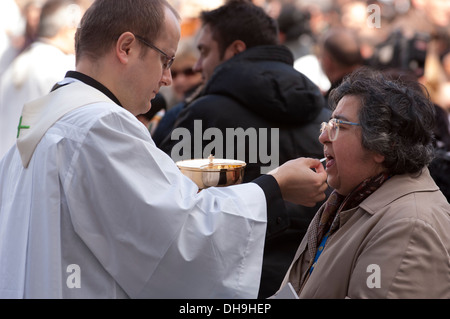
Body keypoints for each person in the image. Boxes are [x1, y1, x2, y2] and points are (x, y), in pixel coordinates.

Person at [0, 0, 328, 299]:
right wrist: (275, 186)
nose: (169, 78)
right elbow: (180, 238)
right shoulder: (101, 125)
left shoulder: (43, 118)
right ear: (126, 47)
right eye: (165, 60)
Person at [157, 0, 331, 299]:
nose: (198, 66)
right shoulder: (325, 115)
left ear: (236, 49)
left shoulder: (202, 114)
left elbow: (166, 212)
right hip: (310, 283)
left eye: (204, 51)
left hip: (224, 287)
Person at [276, 68, 450, 299]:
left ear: (382, 146)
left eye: (339, 126)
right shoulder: (350, 199)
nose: (323, 137)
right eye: (327, 124)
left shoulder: (409, 226)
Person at [0, 0, 86, 159]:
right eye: (80, 29)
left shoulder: (18, 62)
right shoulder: (62, 67)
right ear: (68, 30)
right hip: (32, 169)